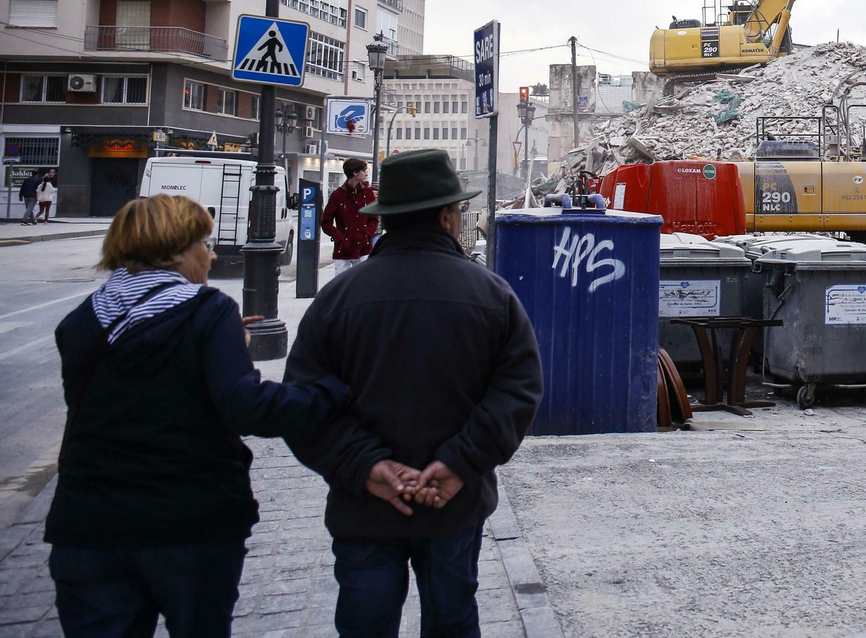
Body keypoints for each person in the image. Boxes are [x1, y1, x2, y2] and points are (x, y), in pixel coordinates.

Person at [46, 194, 350, 638]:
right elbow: (245, 407)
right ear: (175, 250)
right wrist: (330, 390)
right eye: (203, 246)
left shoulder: (81, 321)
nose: (209, 257)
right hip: (187, 520)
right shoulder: (206, 311)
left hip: (88, 525)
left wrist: (217, 352)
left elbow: (119, 397)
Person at [286, 149, 542, 638]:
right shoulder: (490, 295)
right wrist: (458, 464)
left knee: (365, 623)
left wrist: (367, 467)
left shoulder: (338, 299)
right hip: (454, 502)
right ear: (448, 216)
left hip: (365, 505)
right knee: (452, 619)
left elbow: (302, 402)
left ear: (388, 219)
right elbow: (519, 391)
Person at [321, 158, 378, 274]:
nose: (366, 173)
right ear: (355, 173)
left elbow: (374, 219)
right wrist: (340, 238)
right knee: (341, 286)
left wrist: (367, 235)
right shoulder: (338, 195)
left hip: (363, 248)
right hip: (343, 249)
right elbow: (326, 222)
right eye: (364, 170)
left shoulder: (368, 193)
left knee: (364, 283)